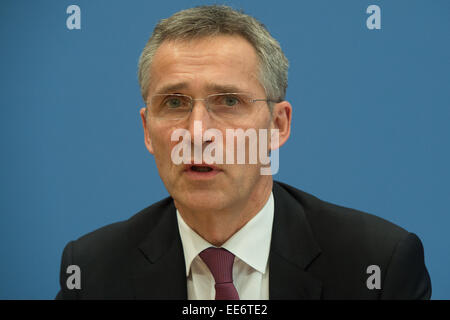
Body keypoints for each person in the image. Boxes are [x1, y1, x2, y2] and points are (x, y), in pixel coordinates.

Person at [56, 5, 431, 300]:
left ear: (277, 126)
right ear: (147, 130)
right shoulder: (93, 271)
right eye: (174, 102)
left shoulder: (377, 265)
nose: (198, 132)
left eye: (229, 101)